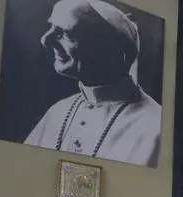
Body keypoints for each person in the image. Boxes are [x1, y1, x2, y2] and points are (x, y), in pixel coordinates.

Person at [25, 0, 161, 167]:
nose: (45, 40)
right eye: (52, 28)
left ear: (109, 49)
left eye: (64, 33)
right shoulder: (58, 112)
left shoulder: (155, 126)